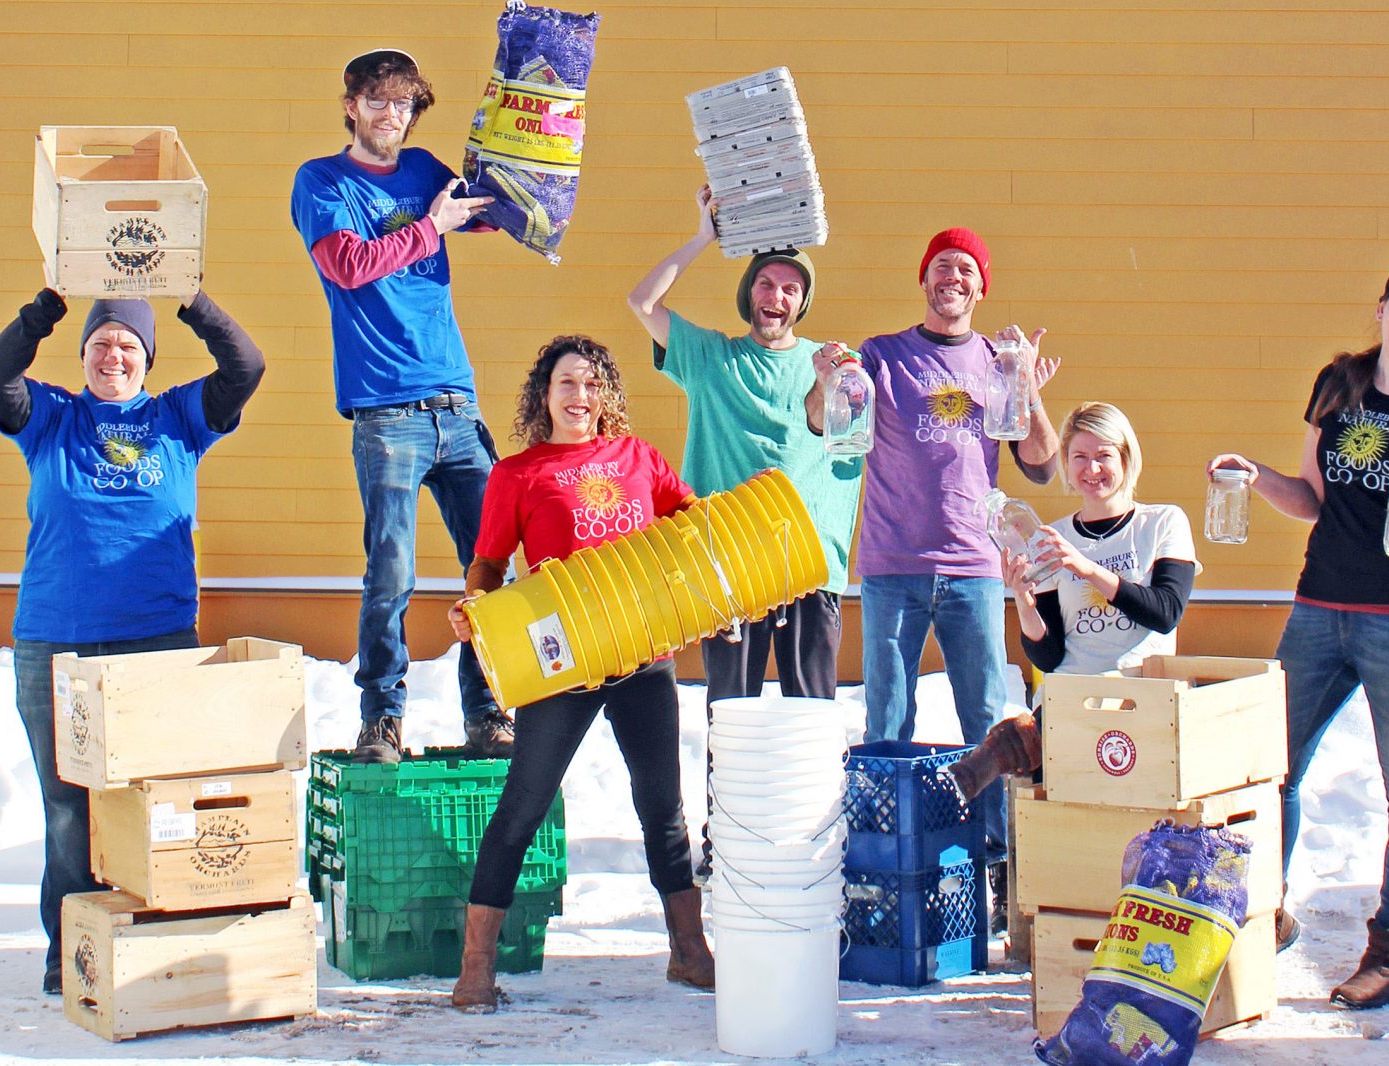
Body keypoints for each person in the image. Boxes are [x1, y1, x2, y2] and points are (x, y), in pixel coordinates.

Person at [1208, 259, 1389, 1010]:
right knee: (1269, 772)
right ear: (1381, 308)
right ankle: (1265, 915)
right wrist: (1256, 475)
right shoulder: (1339, 384)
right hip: (1318, 609)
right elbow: (1312, 499)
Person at [0, 286, 264, 994]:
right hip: (56, 645)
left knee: (153, 803)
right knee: (68, 807)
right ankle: (71, 951)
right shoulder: (52, 417)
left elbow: (246, 366)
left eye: (128, 345)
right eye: (101, 343)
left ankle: (152, 940)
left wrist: (191, 299)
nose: (113, 355)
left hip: (155, 645)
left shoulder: (178, 418)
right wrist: (45, 308)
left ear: (147, 359)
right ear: (82, 355)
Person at [445, 336, 712, 1010]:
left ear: (607, 396)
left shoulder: (638, 458)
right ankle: (476, 966)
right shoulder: (517, 474)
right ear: (544, 394)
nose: (581, 396)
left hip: (642, 654)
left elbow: (692, 522)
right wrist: (475, 608)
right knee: (523, 805)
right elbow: (490, 564)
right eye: (567, 382)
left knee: (663, 808)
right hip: (561, 660)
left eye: (593, 384)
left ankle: (689, 951)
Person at [806, 227, 1060, 877]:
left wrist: (1029, 389)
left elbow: (1041, 465)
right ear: (923, 279)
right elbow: (823, 421)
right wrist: (827, 380)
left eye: (967, 268)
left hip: (974, 569)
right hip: (893, 565)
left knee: (986, 721)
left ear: (981, 288)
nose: (953, 276)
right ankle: (883, 853)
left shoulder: (1000, 363)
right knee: (887, 718)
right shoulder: (882, 355)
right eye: (942, 264)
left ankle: (996, 859)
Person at [627, 184, 862, 876]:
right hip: (726, 568)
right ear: (748, 294)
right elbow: (642, 303)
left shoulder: (831, 365)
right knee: (729, 714)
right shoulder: (713, 359)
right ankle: (725, 843)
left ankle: (816, 846)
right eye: (766, 283)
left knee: (811, 712)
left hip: (809, 565)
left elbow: (829, 431)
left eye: (790, 287)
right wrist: (703, 235)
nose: (777, 296)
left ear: (802, 302)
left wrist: (829, 381)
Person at [290, 47, 515, 765]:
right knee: (390, 575)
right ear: (351, 105)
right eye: (379, 101)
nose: (393, 115)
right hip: (386, 411)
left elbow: (491, 214)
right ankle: (381, 719)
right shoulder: (322, 181)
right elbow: (347, 266)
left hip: (457, 401)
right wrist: (432, 227)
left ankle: (489, 711)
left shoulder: (423, 171)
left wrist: (522, 146)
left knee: (492, 568)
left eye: (405, 103)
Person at [947, 402, 1199, 794]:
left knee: (1055, 735)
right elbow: (1049, 655)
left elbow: (1166, 612)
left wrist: (1087, 569)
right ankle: (963, 786)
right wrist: (1023, 600)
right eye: (1079, 457)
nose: (1091, 469)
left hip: (1136, 695)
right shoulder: (1052, 537)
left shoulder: (1163, 522)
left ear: (1126, 458)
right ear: (1066, 464)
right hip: (1066, 699)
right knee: (1040, 738)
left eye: (1103, 456)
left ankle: (988, 767)